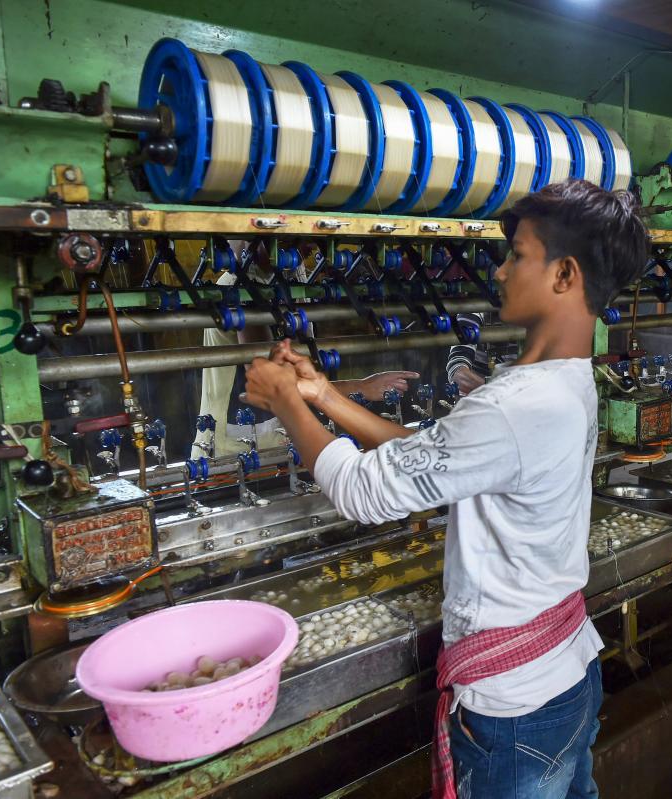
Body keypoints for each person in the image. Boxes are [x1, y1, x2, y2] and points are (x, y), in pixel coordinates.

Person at [242, 179, 649, 799]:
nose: (502, 268)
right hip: (567, 669)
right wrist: (322, 397)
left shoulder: (517, 403)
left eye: (518, 254)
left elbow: (362, 492)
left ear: (564, 275)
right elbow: (440, 453)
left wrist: (284, 407)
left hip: (514, 710)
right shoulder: (565, 379)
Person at [194, 242, 417, 458]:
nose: (308, 247)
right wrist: (360, 387)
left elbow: (302, 364)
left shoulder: (292, 280)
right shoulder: (238, 287)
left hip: (281, 442)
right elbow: (275, 382)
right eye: (296, 240)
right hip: (233, 454)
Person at [445, 312, 519, 395]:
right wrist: (495, 392)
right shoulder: (474, 310)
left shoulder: (532, 314)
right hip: (482, 396)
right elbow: (458, 371)